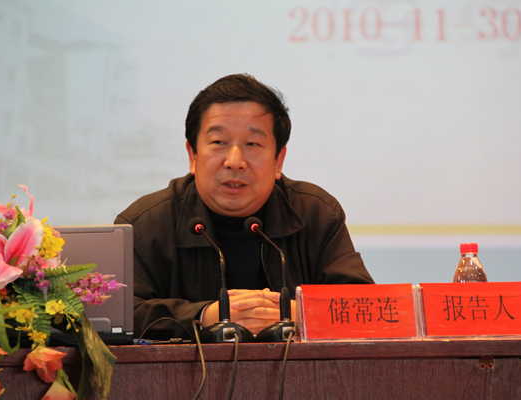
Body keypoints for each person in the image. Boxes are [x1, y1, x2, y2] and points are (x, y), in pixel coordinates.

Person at [115, 74, 374, 340]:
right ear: (192, 155)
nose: (235, 161)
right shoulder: (144, 225)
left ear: (278, 160)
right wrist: (203, 317)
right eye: (219, 143)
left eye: (253, 144)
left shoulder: (315, 214)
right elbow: (115, 316)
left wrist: (299, 313)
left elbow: (366, 308)